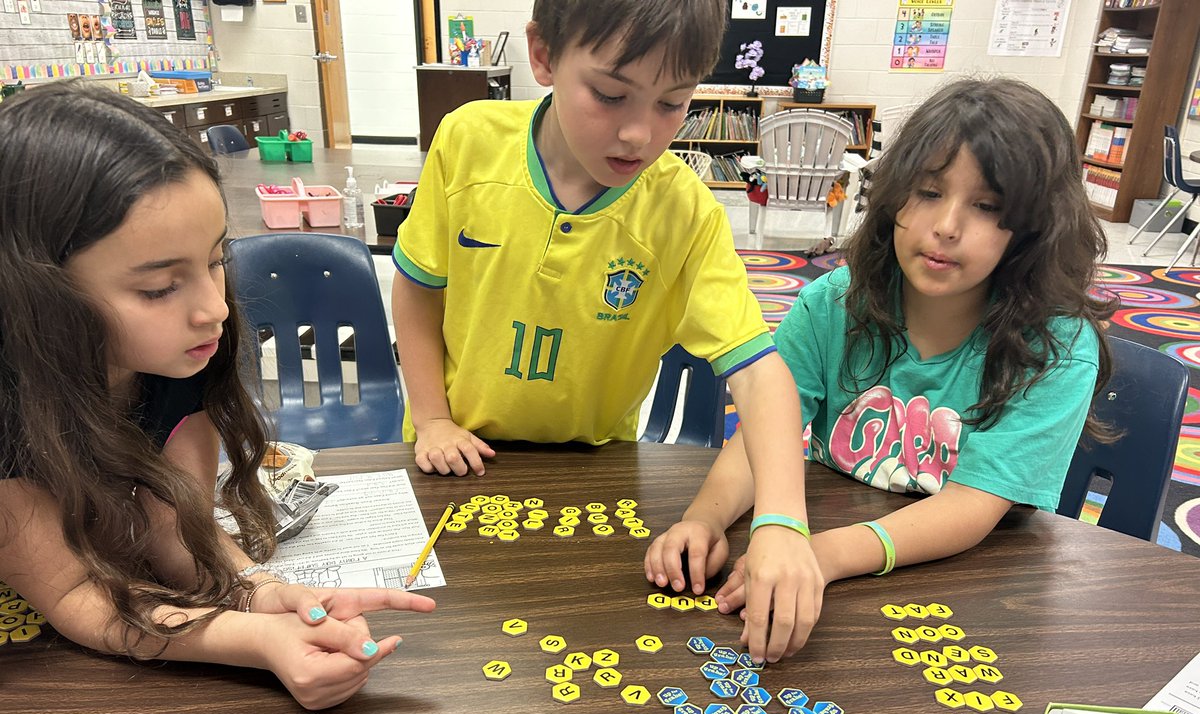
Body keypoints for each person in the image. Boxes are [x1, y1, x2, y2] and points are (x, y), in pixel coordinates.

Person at [392, 0, 818, 662]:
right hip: (453, 459)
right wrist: (433, 418)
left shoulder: (684, 212)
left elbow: (760, 373)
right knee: (444, 650)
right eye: (610, 95)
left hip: (595, 470)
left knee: (589, 639)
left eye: (672, 104)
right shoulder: (468, 140)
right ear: (544, 57)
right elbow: (419, 291)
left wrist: (784, 522)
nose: (638, 136)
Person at [0, 82, 435, 710]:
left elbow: (176, 525)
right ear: (39, 296)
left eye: (215, 260)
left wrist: (262, 592)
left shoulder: (178, 357)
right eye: (158, 289)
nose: (213, 310)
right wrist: (252, 640)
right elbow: (72, 594)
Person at [646, 77, 1115, 657]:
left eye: (987, 207)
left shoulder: (1057, 348)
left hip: (962, 596)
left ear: (1034, 228)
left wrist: (821, 552)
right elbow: (768, 431)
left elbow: (973, 505)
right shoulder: (834, 303)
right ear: (893, 196)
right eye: (927, 192)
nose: (946, 226)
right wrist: (705, 518)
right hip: (827, 561)